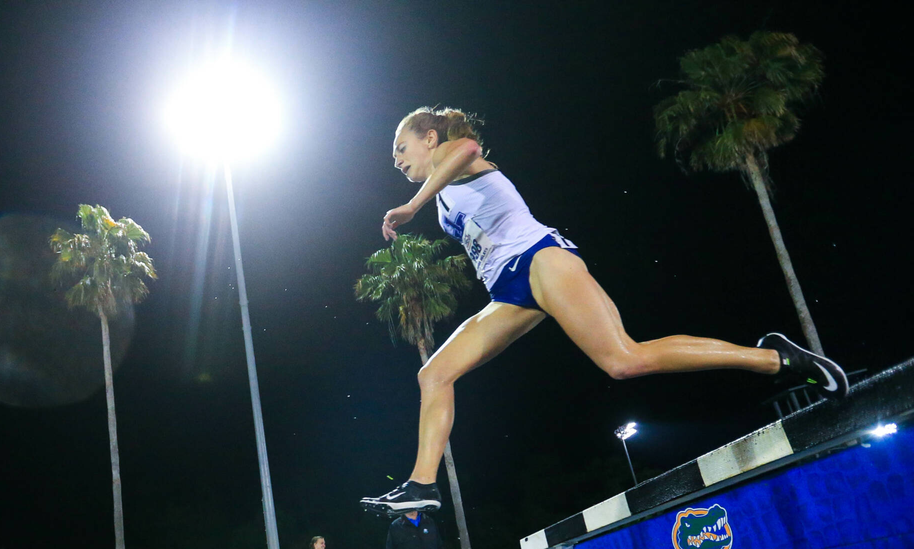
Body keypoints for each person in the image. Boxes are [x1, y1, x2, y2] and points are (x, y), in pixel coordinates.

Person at [360, 106, 849, 516]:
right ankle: (423, 485)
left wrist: (412, 205)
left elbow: (468, 148)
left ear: (430, 138)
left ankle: (774, 358)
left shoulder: (452, 157)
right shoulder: (444, 193)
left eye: (401, 148)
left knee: (624, 360)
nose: (396, 160)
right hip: (508, 290)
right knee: (434, 374)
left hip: (540, 260)